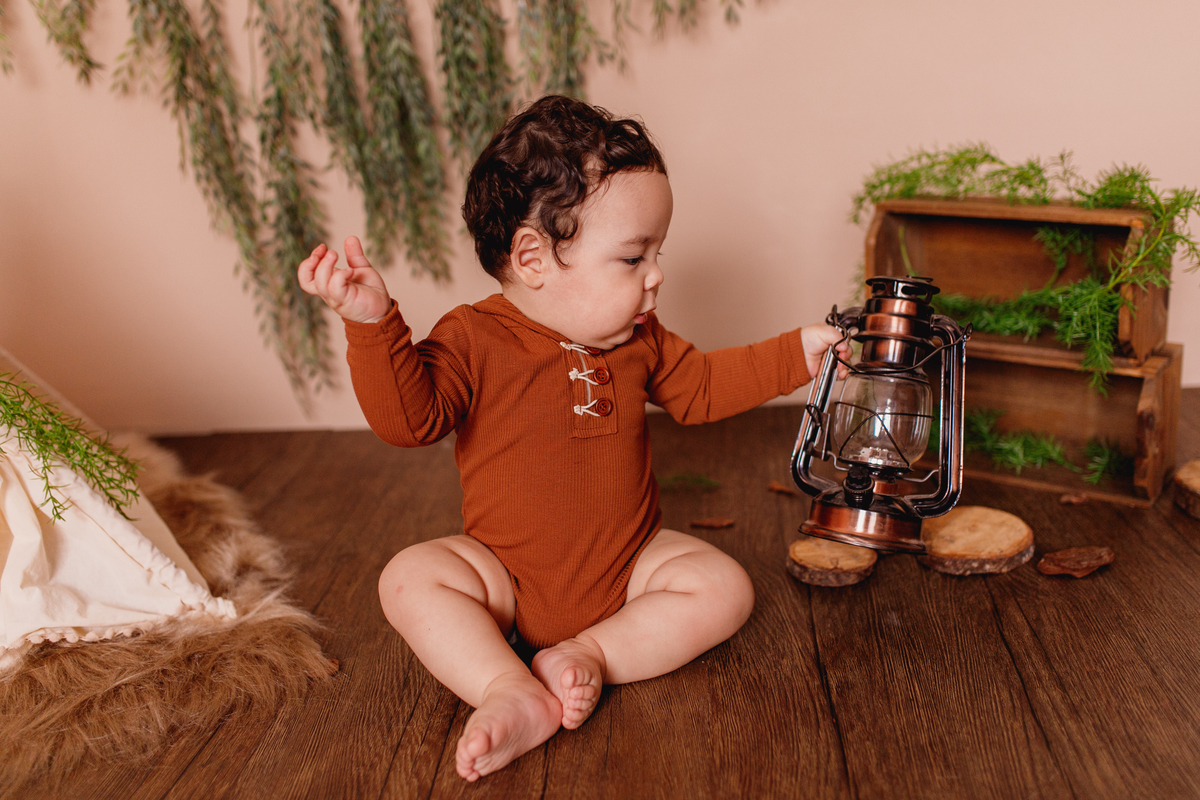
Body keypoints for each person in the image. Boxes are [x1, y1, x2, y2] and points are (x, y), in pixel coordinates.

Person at [297, 95, 849, 782]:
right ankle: (507, 687)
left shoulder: (640, 340)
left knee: (723, 586)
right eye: (631, 257)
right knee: (409, 578)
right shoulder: (474, 337)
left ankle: (590, 652)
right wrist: (372, 324)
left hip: (628, 567)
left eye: (658, 251)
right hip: (503, 574)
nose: (657, 275)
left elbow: (703, 387)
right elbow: (410, 422)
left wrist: (799, 354)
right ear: (533, 258)